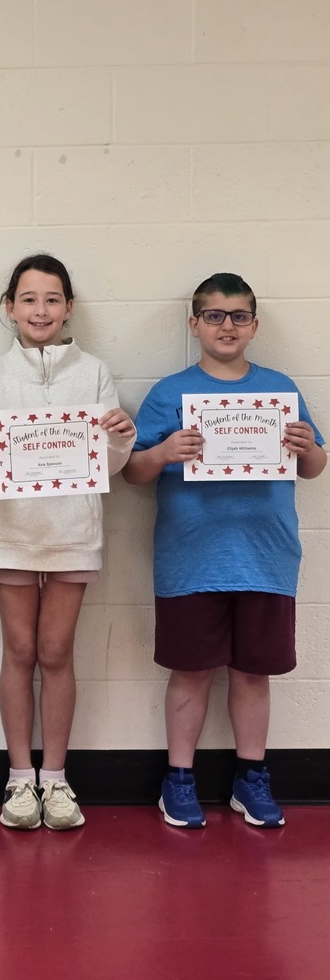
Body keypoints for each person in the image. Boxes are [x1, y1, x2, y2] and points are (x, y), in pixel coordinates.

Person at [123, 272, 325, 829]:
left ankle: (251, 777)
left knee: (252, 674)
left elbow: (314, 465)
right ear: (195, 324)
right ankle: (179, 780)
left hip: (266, 556)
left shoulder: (280, 388)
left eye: (238, 316)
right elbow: (133, 472)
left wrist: (308, 448)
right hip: (190, 559)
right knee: (190, 672)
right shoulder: (169, 392)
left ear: (254, 325)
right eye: (214, 315)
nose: (227, 326)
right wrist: (163, 450)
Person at [0, 254, 135, 830]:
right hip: (11, 534)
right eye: (29, 299)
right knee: (19, 650)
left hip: (72, 533)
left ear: (68, 307)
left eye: (52, 299)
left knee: (57, 652)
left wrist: (121, 438)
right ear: (10, 307)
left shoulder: (95, 373)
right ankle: (19, 780)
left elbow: (110, 465)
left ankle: (56, 780)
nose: (41, 310)